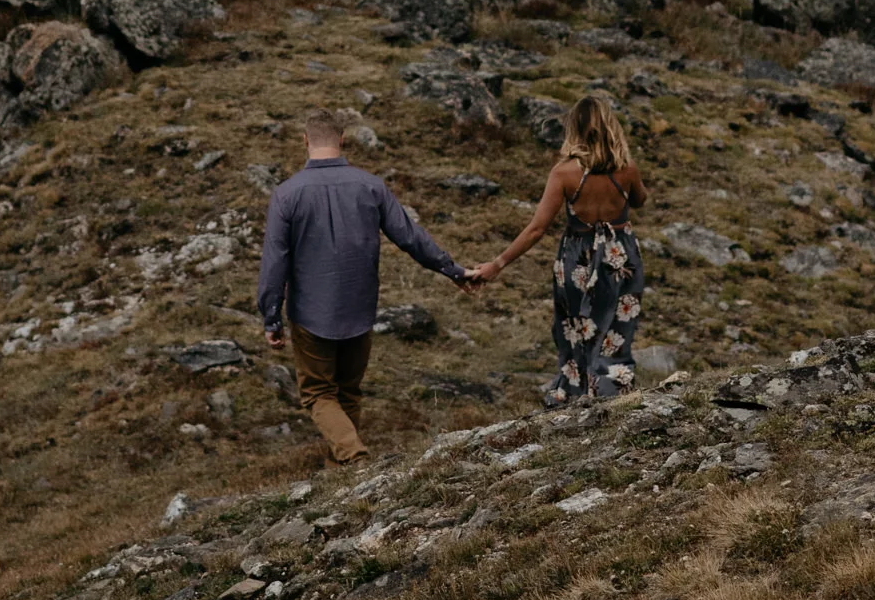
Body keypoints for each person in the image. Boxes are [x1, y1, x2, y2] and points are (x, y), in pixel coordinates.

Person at [259, 109, 472, 462]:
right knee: (349, 391)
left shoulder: (287, 194)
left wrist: (271, 316)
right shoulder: (371, 185)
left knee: (318, 393)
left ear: (305, 141)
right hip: (360, 307)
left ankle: (353, 455)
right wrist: (453, 269)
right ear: (342, 140)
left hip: (312, 312)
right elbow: (410, 237)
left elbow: (274, 261)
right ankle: (346, 466)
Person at [471, 93, 651, 405]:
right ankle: (610, 393)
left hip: (577, 257)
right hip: (620, 256)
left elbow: (536, 228)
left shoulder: (564, 173)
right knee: (616, 330)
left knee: (574, 328)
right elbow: (639, 200)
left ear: (575, 130)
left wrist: (497, 264)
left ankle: (573, 393)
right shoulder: (627, 168)